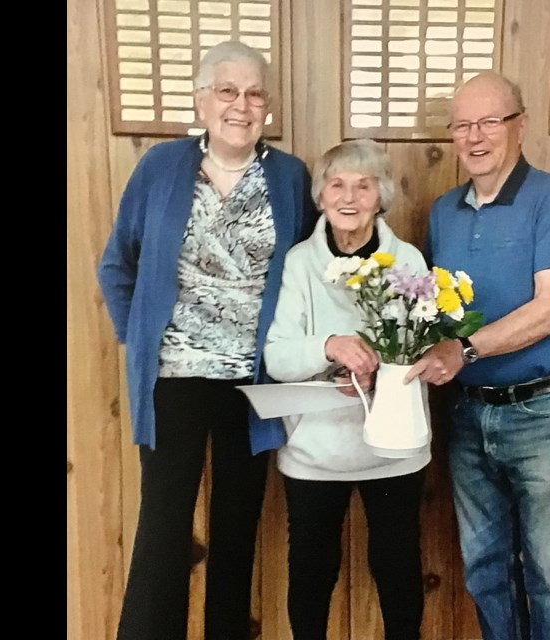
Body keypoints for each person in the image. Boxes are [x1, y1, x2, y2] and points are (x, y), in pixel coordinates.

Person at [97, 40, 318, 640]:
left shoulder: (290, 176)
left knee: (238, 525)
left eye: (254, 93)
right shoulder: (161, 168)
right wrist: (138, 335)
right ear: (202, 99)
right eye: (227, 91)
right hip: (172, 377)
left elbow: (305, 271)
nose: (240, 106)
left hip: (253, 379)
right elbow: (116, 264)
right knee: (164, 527)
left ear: (267, 106)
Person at [404, 72, 550, 640]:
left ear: (521, 125)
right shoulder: (443, 212)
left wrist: (463, 349)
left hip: (544, 417)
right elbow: (434, 309)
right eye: (463, 125)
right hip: (466, 414)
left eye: (490, 121)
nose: (475, 136)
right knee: (485, 570)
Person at [264, 139, 430, 640]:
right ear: (320, 197)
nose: (350, 196)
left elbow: (422, 348)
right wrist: (330, 346)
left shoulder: (408, 261)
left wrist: (384, 369)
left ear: (382, 197)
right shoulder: (298, 263)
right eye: (337, 184)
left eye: (364, 184)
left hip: (394, 449)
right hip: (315, 451)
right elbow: (277, 356)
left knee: (397, 567)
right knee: (312, 572)